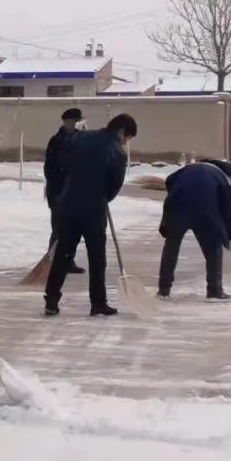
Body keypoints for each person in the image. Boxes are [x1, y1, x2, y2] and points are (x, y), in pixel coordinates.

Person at [43, 113, 137, 317]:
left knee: (63, 255)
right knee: (97, 257)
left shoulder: (79, 138)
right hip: (93, 209)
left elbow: (60, 164)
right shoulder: (117, 151)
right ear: (121, 131)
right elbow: (114, 185)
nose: (126, 142)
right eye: (127, 138)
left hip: (68, 205)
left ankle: (51, 301)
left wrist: (66, 191)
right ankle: (98, 303)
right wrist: (102, 195)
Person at [157, 160, 231, 301]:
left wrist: (178, 193)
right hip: (204, 213)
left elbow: (170, 180)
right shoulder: (223, 180)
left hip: (176, 208)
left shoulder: (190, 168)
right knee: (214, 249)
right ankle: (215, 290)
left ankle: (163, 290)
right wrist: (229, 236)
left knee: (171, 248)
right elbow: (227, 212)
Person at [44, 108, 85, 274]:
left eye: (77, 121)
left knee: (73, 229)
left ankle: (68, 261)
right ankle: (52, 261)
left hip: (76, 192)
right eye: (72, 121)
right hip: (59, 192)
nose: (74, 124)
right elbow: (50, 168)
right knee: (58, 228)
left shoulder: (82, 139)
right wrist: (58, 190)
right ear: (65, 121)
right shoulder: (56, 141)